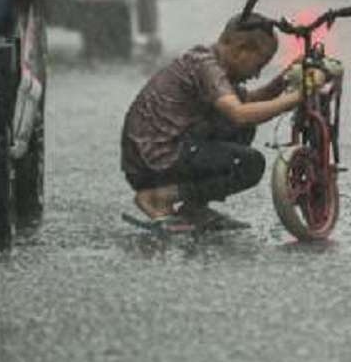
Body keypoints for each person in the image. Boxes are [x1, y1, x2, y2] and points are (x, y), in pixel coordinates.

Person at [120, 12, 323, 231]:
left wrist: (284, 79)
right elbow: (240, 112)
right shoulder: (206, 66)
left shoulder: (210, 61)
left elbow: (248, 102)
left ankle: (193, 208)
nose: (257, 74)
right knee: (250, 164)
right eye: (259, 64)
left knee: (240, 130)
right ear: (241, 50)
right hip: (155, 161)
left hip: (154, 156)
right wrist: (297, 97)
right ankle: (158, 197)